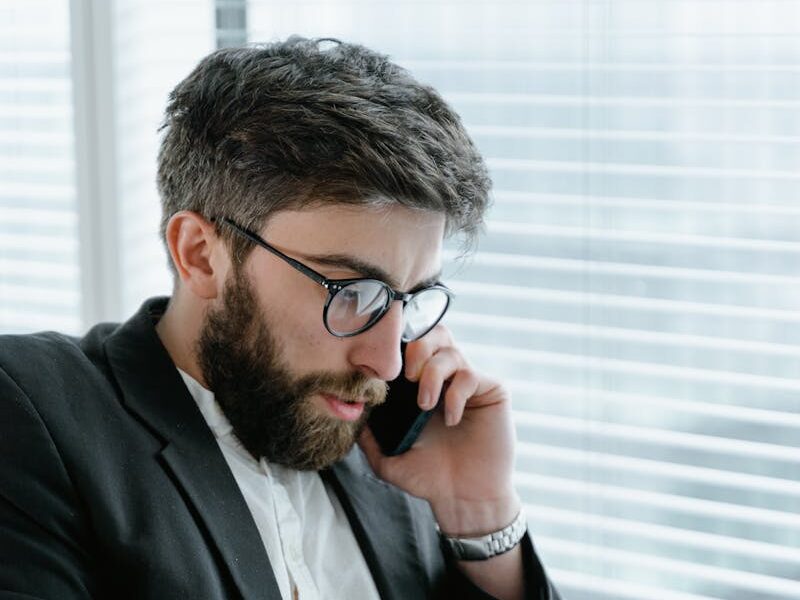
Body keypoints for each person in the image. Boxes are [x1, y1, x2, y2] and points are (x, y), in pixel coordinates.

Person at [0, 37, 559, 600]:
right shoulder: (36, 412)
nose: (388, 362)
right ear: (200, 253)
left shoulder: (397, 455)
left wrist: (481, 518)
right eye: (350, 291)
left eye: (410, 297)